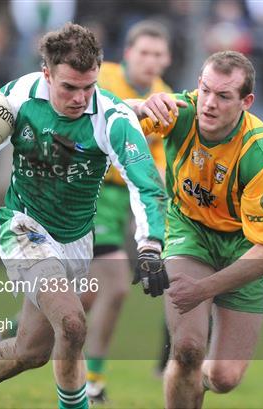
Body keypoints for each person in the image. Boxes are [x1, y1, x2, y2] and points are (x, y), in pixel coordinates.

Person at [0, 23, 168, 409]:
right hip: (22, 227)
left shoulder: (114, 117)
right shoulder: (20, 96)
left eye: (88, 87)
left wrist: (151, 244)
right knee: (72, 324)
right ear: (47, 74)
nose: (79, 98)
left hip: (74, 241)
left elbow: (146, 185)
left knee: (31, 351)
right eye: (68, 87)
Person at [129, 50, 263, 408]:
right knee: (187, 349)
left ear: (246, 102)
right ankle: (186, 373)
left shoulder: (258, 151)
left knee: (224, 378)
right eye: (205, 90)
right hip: (190, 230)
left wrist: (203, 289)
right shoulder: (179, 112)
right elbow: (114, 117)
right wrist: (141, 106)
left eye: (223, 96)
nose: (209, 104)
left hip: (243, 246)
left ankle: (192, 382)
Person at [83, 19, 171, 402]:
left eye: (158, 54)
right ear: (127, 55)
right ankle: (93, 381)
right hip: (92, 190)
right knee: (116, 286)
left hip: (128, 196)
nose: (151, 61)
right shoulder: (99, 80)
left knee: (82, 296)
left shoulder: (163, 97)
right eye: (144, 53)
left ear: (166, 59)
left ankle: (1, 337)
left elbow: (156, 164)